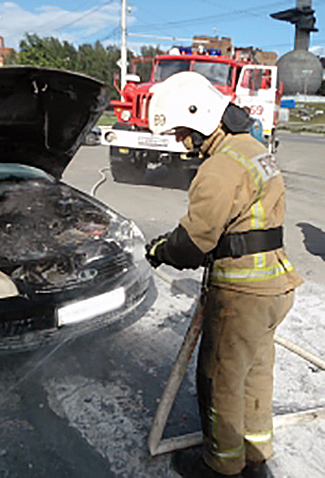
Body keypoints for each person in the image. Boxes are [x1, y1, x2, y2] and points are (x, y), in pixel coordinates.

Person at [145, 72, 302, 478]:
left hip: (242, 293)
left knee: (219, 378)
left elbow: (193, 242)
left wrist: (161, 249)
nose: (182, 142)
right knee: (255, 372)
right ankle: (256, 453)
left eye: (182, 132)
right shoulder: (253, 150)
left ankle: (222, 465)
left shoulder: (219, 167)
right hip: (275, 285)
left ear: (199, 118)